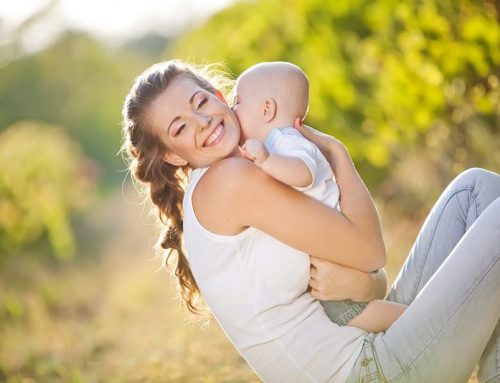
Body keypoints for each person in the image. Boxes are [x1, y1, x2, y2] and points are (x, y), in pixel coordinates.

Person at [121, 60, 500, 383]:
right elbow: (369, 252)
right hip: (372, 373)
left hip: (368, 343)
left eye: (200, 102)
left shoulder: (250, 170)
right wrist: (339, 155)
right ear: (172, 156)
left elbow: (359, 278)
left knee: (475, 191)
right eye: (180, 128)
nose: (202, 121)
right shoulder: (229, 181)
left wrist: (369, 283)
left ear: (222, 97)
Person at [233, 61, 406, 332]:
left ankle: (418, 320)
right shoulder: (277, 144)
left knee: (351, 314)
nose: (233, 111)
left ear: (267, 109)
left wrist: (266, 160)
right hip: (337, 247)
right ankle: (418, 319)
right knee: (353, 312)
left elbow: (304, 173)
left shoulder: (286, 140)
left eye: (237, 102)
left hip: (339, 253)